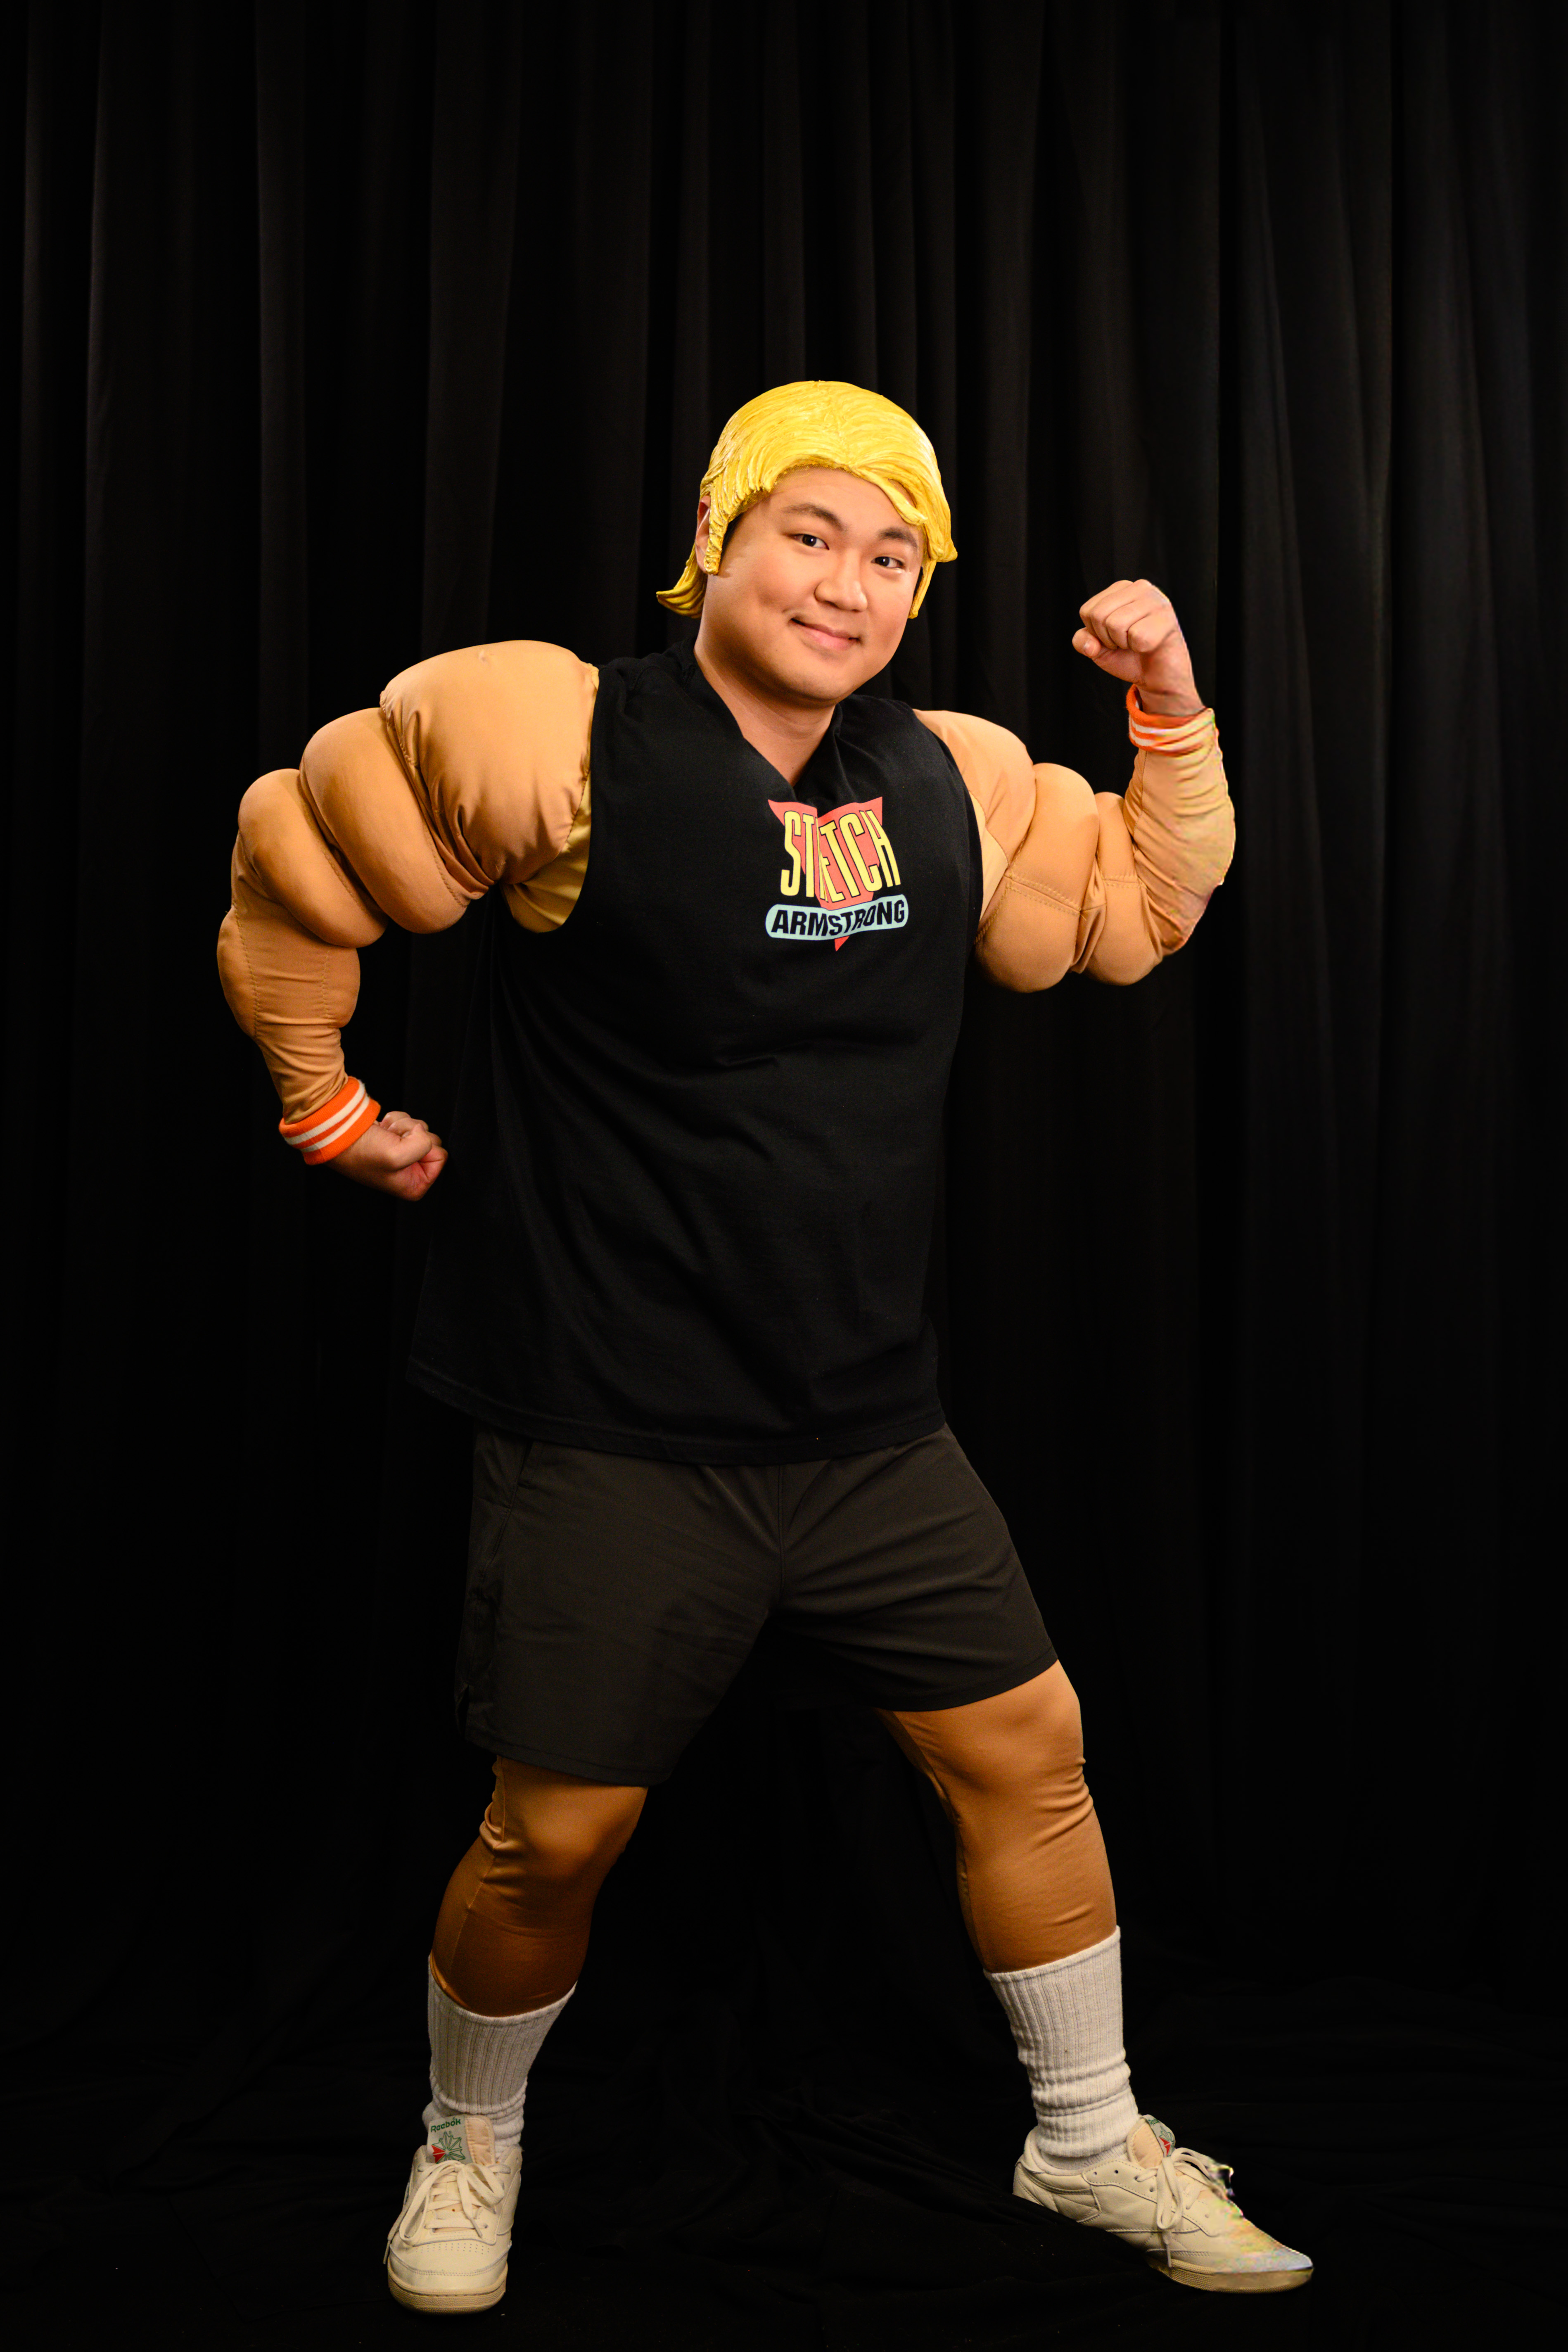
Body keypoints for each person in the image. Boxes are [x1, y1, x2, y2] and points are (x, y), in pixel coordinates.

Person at [218, 381, 1311, 2311]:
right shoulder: (561, 735)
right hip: (609, 1417)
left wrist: (1166, 707)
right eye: (807, 532)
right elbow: (302, 852)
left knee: (1027, 1752)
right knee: (556, 1832)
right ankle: (467, 2135)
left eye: (891, 555)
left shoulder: (953, 777)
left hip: (865, 1421)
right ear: (717, 545)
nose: (846, 581)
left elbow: (1138, 903)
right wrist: (322, 1103)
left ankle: (1083, 2137)